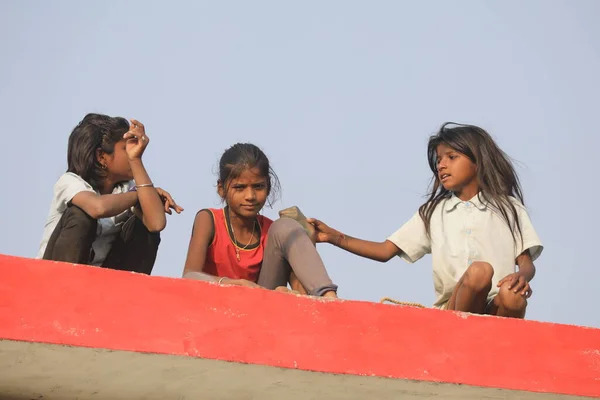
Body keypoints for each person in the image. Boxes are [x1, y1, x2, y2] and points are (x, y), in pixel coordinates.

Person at [309, 123, 543, 317]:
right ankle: (462, 335)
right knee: (480, 271)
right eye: (439, 159)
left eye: (452, 157)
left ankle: (498, 348)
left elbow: (525, 261)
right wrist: (333, 237)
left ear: (477, 162)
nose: (441, 165)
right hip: (456, 309)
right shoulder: (433, 213)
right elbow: (384, 251)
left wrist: (522, 276)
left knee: (513, 297)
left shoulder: (509, 208)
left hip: (497, 308)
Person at [183, 143, 337, 298]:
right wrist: (236, 284)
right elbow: (189, 276)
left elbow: (299, 289)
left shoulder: (274, 233)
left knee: (286, 227)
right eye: (239, 188)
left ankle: (330, 299)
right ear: (221, 189)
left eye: (258, 187)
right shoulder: (209, 220)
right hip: (216, 306)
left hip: (259, 306)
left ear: (268, 187)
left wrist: (290, 293)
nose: (250, 196)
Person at [38, 113, 183, 274]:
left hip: (99, 280)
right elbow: (98, 208)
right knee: (80, 215)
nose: (132, 152)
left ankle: (127, 293)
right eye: (125, 148)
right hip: (55, 276)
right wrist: (138, 195)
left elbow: (156, 224)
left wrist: (137, 162)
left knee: (144, 227)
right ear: (102, 157)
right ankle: (64, 287)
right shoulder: (70, 182)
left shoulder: (125, 188)